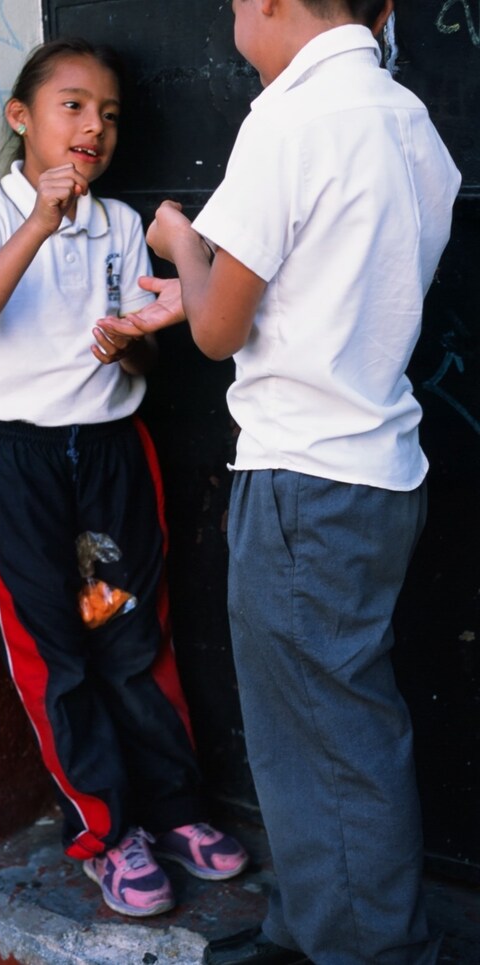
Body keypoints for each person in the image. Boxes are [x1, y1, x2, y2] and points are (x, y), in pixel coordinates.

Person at [98, 1, 461, 961]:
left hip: (306, 480)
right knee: (321, 731)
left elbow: (222, 331)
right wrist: (199, 292)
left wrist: (179, 238)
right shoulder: (400, 114)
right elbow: (332, 282)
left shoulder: (288, 116)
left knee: (331, 741)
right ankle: (312, 927)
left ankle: (371, 949)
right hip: (373, 469)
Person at [0, 37, 248, 920]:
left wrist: (133, 344)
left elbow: (133, 350)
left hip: (111, 450)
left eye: (108, 113)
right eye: (72, 106)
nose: (94, 127)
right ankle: (109, 833)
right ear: (20, 120)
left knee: (131, 639)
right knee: (56, 653)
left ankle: (177, 810)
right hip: (24, 461)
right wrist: (39, 221)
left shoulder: (117, 223)